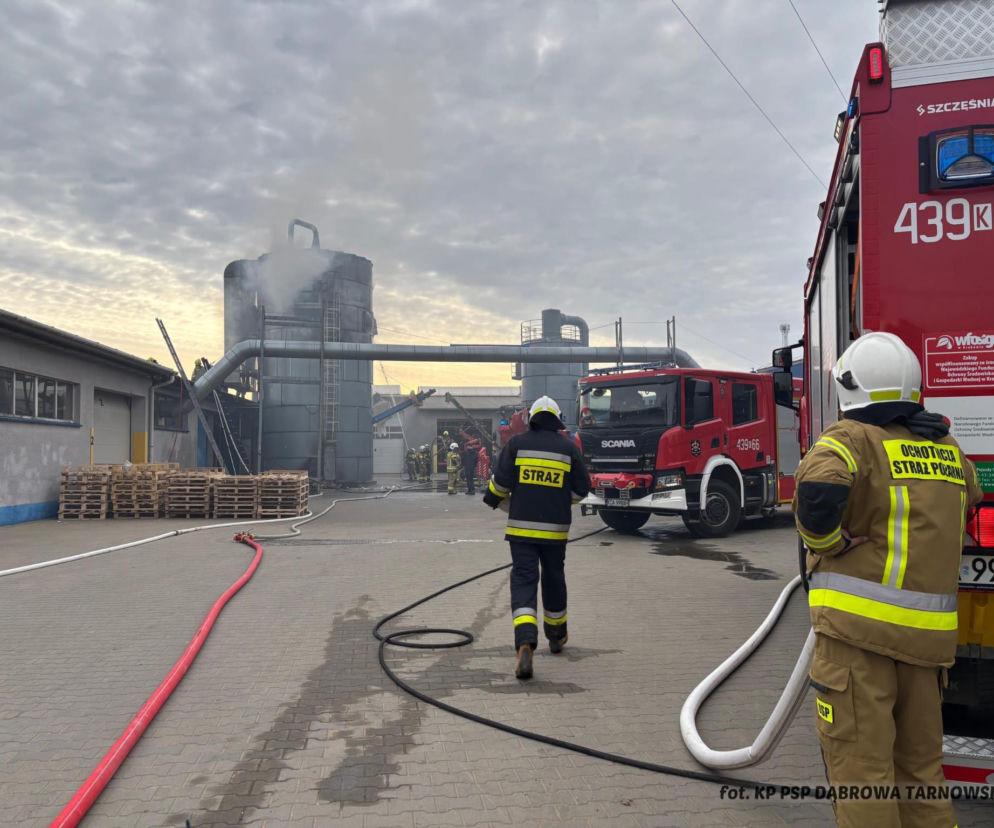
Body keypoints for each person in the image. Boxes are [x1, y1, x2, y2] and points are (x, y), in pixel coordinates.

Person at [793, 331, 982, 828]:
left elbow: (816, 490)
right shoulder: (947, 450)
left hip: (860, 646)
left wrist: (831, 544)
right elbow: (973, 495)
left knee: (864, 775)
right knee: (921, 773)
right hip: (926, 651)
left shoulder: (852, 439)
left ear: (849, 389)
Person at [482, 396, 592, 680]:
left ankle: (525, 643)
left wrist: (491, 498)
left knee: (524, 581)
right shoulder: (568, 449)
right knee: (554, 579)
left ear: (531, 417)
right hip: (555, 532)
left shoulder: (516, 445)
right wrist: (557, 498)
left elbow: (501, 484)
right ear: (556, 419)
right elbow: (582, 490)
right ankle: (556, 637)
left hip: (521, 531)